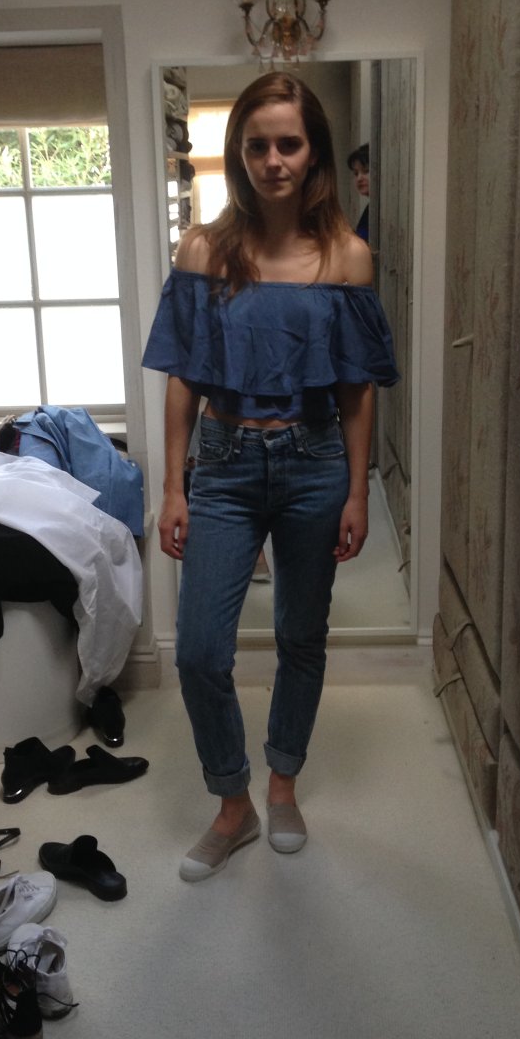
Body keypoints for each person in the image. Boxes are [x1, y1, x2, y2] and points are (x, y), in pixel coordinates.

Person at [142, 72, 398, 882]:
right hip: (222, 464)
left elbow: (357, 389)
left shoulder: (347, 257)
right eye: (257, 146)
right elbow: (183, 375)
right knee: (198, 651)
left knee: (300, 636)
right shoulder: (202, 250)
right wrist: (174, 486)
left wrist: (356, 490)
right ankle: (233, 803)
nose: (273, 161)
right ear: (238, 154)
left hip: (315, 462)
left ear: (313, 152)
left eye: (289, 144)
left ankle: (281, 784)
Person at [347, 142, 370, 241]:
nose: (359, 178)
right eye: (356, 173)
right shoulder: (370, 209)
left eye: (366, 171)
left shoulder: (383, 210)